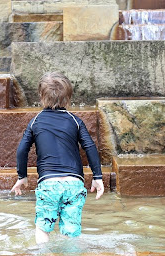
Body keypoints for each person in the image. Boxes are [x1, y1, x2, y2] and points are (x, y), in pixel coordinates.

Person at [11, 72, 104, 244]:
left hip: (48, 184)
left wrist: (22, 176)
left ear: (41, 96)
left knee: (43, 227)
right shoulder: (75, 121)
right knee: (70, 229)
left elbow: (22, 150)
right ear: (68, 98)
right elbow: (90, 147)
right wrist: (97, 177)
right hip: (74, 184)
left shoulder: (35, 121)